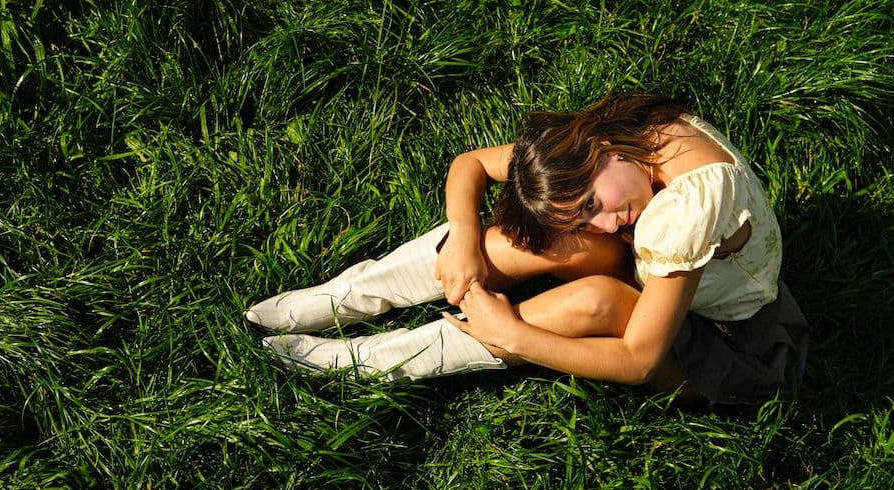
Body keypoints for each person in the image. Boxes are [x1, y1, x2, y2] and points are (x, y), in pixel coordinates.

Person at [245, 92, 809, 405]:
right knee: (543, 242)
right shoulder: (612, 148)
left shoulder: (684, 208)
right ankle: (348, 295)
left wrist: (512, 333)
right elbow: (472, 164)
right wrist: (465, 239)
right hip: (676, 278)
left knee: (597, 299)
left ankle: (374, 363)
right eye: (591, 211)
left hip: (739, 345)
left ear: (602, 150)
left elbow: (639, 361)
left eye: (593, 204)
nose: (609, 224)